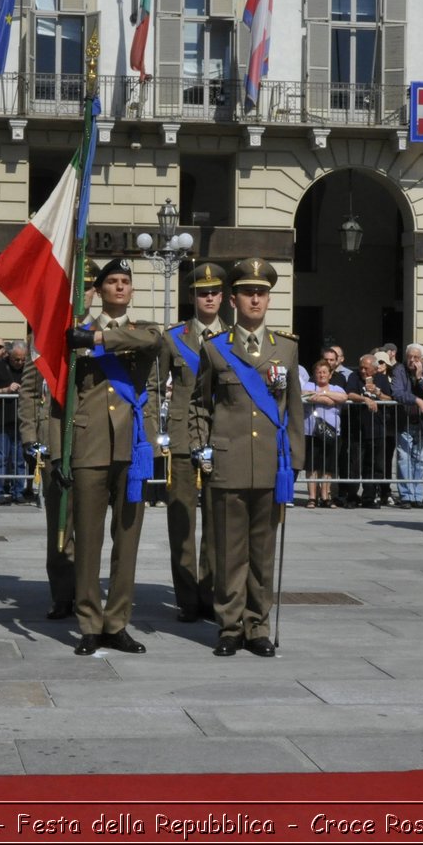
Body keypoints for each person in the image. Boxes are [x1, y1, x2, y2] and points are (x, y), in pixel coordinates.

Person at [189, 258, 304, 657]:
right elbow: (200, 405)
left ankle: (258, 626)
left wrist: (295, 461)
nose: (256, 299)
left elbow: (294, 410)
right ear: (233, 299)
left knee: (263, 552)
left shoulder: (285, 349)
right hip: (226, 462)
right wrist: (200, 447)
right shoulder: (215, 349)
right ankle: (229, 625)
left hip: (271, 464)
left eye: (262, 293)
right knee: (228, 551)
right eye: (248, 292)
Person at [56, 257, 164, 655]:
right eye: (112, 282)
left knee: (128, 538)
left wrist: (98, 341)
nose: (120, 287)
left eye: (125, 282)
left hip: (132, 444)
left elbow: (153, 342)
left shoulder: (142, 330)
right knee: (87, 538)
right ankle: (88, 621)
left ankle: (117, 622)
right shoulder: (77, 331)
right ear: (99, 290)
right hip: (91, 443)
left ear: (131, 290)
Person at [158, 262, 227, 623]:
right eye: (203, 292)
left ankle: (212, 593)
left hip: (221, 437)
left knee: (218, 523)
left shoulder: (232, 337)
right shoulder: (174, 338)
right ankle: (186, 598)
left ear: (224, 296)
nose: (209, 297)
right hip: (184, 439)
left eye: (215, 291)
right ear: (193, 297)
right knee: (181, 522)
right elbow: (156, 387)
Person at [343, 351, 396, 508]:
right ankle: (352, 496)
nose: (363, 371)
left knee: (374, 465)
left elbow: (390, 398)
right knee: (355, 463)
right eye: (361, 367)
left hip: (377, 428)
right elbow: (349, 393)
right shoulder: (354, 377)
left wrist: (377, 393)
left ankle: (369, 497)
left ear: (374, 368)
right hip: (358, 428)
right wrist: (365, 398)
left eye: (366, 368)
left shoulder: (381, 379)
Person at [0, 338, 30, 505]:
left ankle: (18, 491)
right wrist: (6, 389)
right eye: (16, 359)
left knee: (19, 459)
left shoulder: (28, 368)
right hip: (2, 419)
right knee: (1, 458)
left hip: (21, 419)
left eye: (22, 359)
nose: (19, 362)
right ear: (9, 356)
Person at [391, 343, 423, 508]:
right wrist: (416, 400)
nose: (412, 360)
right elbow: (398, 392)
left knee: (422, 460)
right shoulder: (399, 370)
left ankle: (417, 495)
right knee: (404, 459)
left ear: (422, 359)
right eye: (409, 357)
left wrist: (420, 378)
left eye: (416, 357)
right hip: (405, 421)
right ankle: (406, 496)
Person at [302, 359, 346, 509]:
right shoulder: (308, 385)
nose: (321, 375)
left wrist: (323, 394)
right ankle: (312, 497)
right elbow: (304, 395)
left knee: (328, 467)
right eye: (318, 372)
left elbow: (343, 398)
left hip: (331, 432)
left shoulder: (337, 388)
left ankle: (325, 496)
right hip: (311, 432)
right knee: (312, 466)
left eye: (324, 372)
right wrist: (328, 400)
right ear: (314, 374)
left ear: (330, 374)